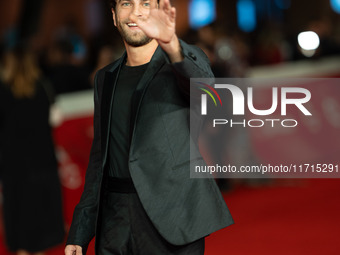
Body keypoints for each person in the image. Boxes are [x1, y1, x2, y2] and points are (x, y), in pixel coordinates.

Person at [65, 0, 233, 254]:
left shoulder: (183, 61)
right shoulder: (105, 78)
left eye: (145, 3)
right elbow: (100, 158)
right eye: (126, 4)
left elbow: (205, 91)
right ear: (113, 15)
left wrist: (172, 45)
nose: (135, 12)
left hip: (173, 217)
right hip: (115, 220)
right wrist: (80, 231)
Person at [0, 45, 65, 255]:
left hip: (14, 169)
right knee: (41, 234)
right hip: (43, 165)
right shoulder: (43, 87)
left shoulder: (3, 91)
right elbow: (56, 118)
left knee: (22, 234)